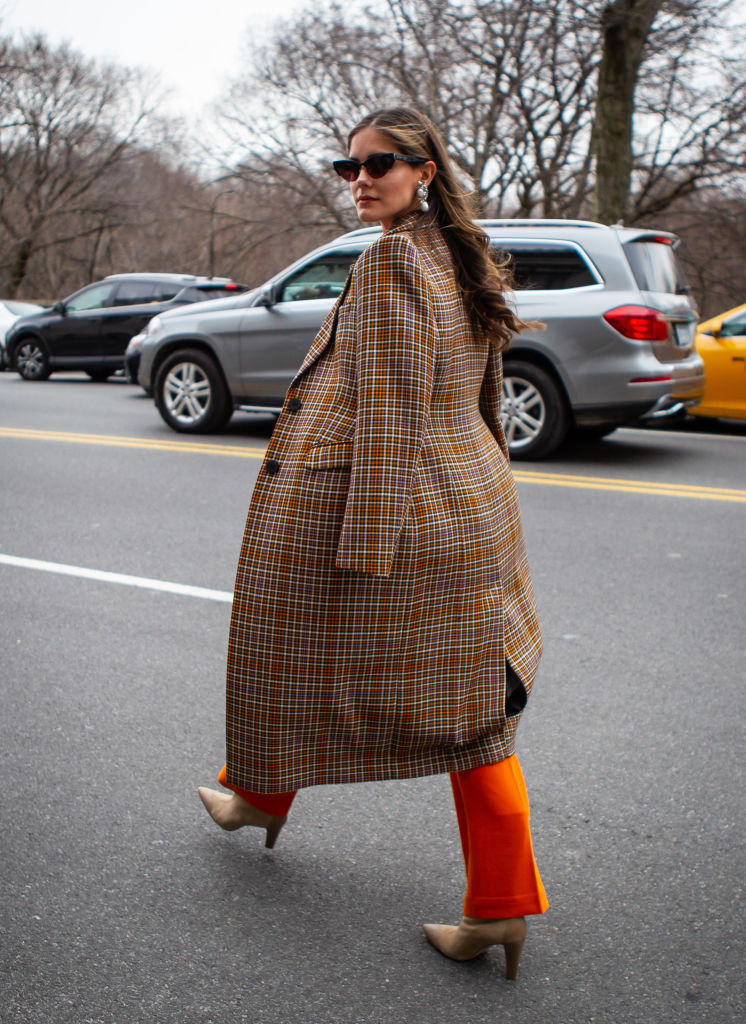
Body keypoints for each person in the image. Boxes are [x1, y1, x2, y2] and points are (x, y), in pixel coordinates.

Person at [198, 106, 548, 980]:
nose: (360, 178)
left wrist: (367, 546)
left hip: (409, 510)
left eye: (380, 163)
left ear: (424, 169)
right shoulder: (450, 251)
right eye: (347, 165)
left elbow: (390, 410)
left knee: (467, 719)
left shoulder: (395, 259)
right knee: (324, 656)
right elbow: (484, 393)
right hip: (467, 502)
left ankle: (500, 906)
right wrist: (483, 485)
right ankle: (257, 794)